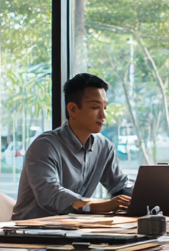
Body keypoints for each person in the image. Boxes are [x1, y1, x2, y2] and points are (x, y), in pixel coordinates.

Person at [12, 73, 133, 220]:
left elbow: (119, 185)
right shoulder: (45, 146)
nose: (103, 116)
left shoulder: (104, 147)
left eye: (105, 107)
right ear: (72, 109)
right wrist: (99, 205)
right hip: (31, 230)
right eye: (95, 107)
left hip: (74, 228)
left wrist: (145, 196)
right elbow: (50, 195)